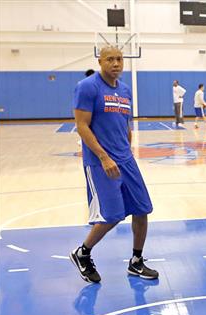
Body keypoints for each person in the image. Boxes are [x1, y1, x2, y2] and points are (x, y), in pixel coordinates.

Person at [70, 45, 159, 284]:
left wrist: (127, 150)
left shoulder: (125, 90)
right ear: (100, 61)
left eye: (119, 59)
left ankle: (136, 262)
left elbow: (125, 124)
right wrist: (104, 156)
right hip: (100, 161)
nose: (116, 63)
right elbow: (82, 126)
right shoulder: (87, 87)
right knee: (111, 215)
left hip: (125, 160)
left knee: (142, 209)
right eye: (110, 59)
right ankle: (82, 253)